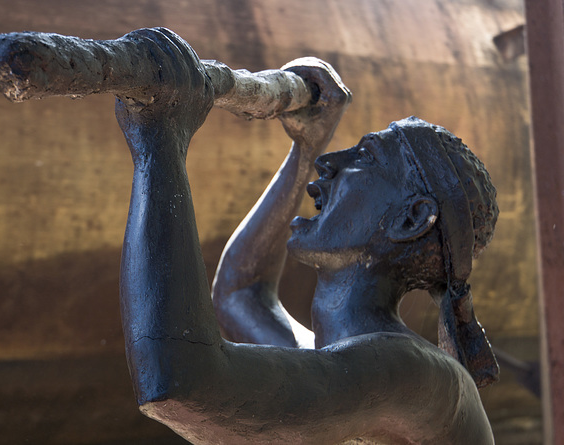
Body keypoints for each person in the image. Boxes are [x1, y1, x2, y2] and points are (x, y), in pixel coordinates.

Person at [116, 28, 497, 444]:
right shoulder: (344, 363)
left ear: (412, 219)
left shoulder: (414, 377)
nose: (329, 163)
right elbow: (240, 293)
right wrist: (305, 149)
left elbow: (181, 383)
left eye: (365, 157)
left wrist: (160, 139)